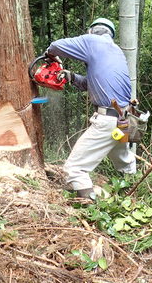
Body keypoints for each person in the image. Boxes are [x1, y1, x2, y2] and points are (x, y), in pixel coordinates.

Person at [45, 18, 136, 200]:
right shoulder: (116, 51)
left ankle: (92, 210)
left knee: (74, 168)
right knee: (124, 161)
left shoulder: (93, 41)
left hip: (108, 121)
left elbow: (56, 46)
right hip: (125, 120)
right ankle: (136, 194)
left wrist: (50, 54)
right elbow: (95, 83)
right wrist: (71, 77)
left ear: (91, 31)